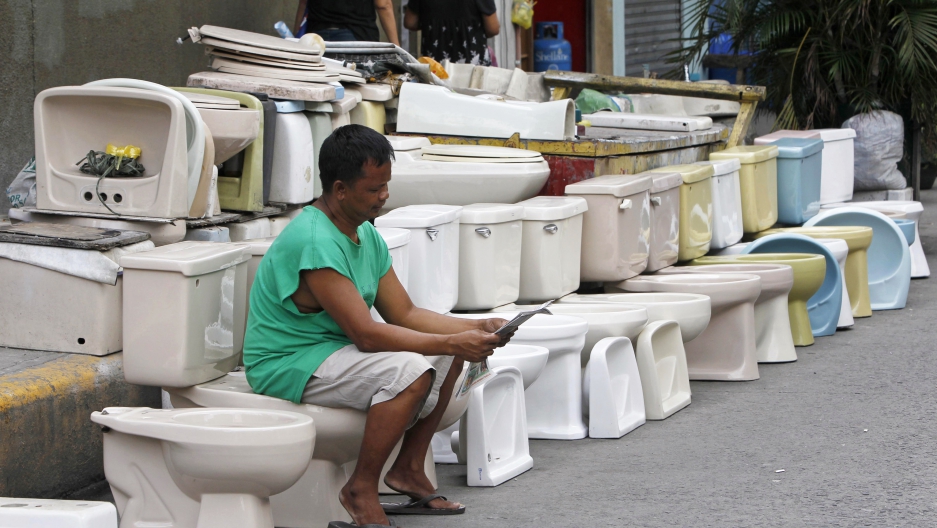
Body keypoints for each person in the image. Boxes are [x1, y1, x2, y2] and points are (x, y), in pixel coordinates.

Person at [243, 125, 512, 527]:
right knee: (411, 370)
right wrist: (455, 341)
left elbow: (403, 312)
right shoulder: (315, 242)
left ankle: (406, 469)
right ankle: (361, 489)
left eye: (386, 184)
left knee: (443, 350)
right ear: (339, 189)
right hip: (288, 361)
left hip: (332, 351)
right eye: (374, 189)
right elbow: (366, 335)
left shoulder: (363, 231)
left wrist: (473, 327)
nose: (384, 195)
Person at [403, 0, 500, 65]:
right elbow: (493, 28)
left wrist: (431, 25)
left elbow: (410, 22)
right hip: (472, 66)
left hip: (436, 67)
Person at [293, 0, 400, 45]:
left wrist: (296, 39)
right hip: (357, 36)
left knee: (318, 90)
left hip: (316, 36)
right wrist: (398, 50)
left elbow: (303, 2)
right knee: (355, 90)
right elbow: (383, 4)